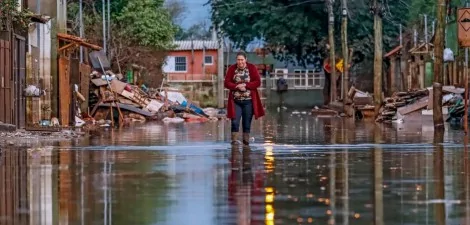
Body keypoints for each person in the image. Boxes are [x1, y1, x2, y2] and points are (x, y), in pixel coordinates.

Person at [225, 51, 265, 145]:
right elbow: (226, 83)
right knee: (235, 122)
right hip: (235, 101)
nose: (240, 62)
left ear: (246, 60)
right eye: (238, 60)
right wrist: (237, 86)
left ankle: (246, 142)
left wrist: (246, 85)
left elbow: (257, 82)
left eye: (242, 59)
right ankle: (234, 142)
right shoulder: (232, 69)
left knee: (246, 123)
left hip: (249, 101)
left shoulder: (252, 68)